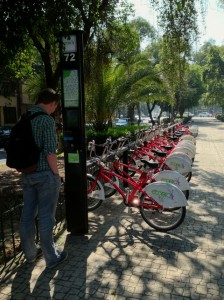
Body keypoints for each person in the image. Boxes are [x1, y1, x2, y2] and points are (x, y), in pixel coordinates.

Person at [19, 88, 68, 269]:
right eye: (56, 107)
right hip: (45, 175)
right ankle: (51, 257)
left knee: (27, 215)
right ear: (52, 103)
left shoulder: (23, 118)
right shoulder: (46, 120)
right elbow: (50, 152)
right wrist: (57, 174)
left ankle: (31, 254)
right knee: (47, 217)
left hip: (27, 173)